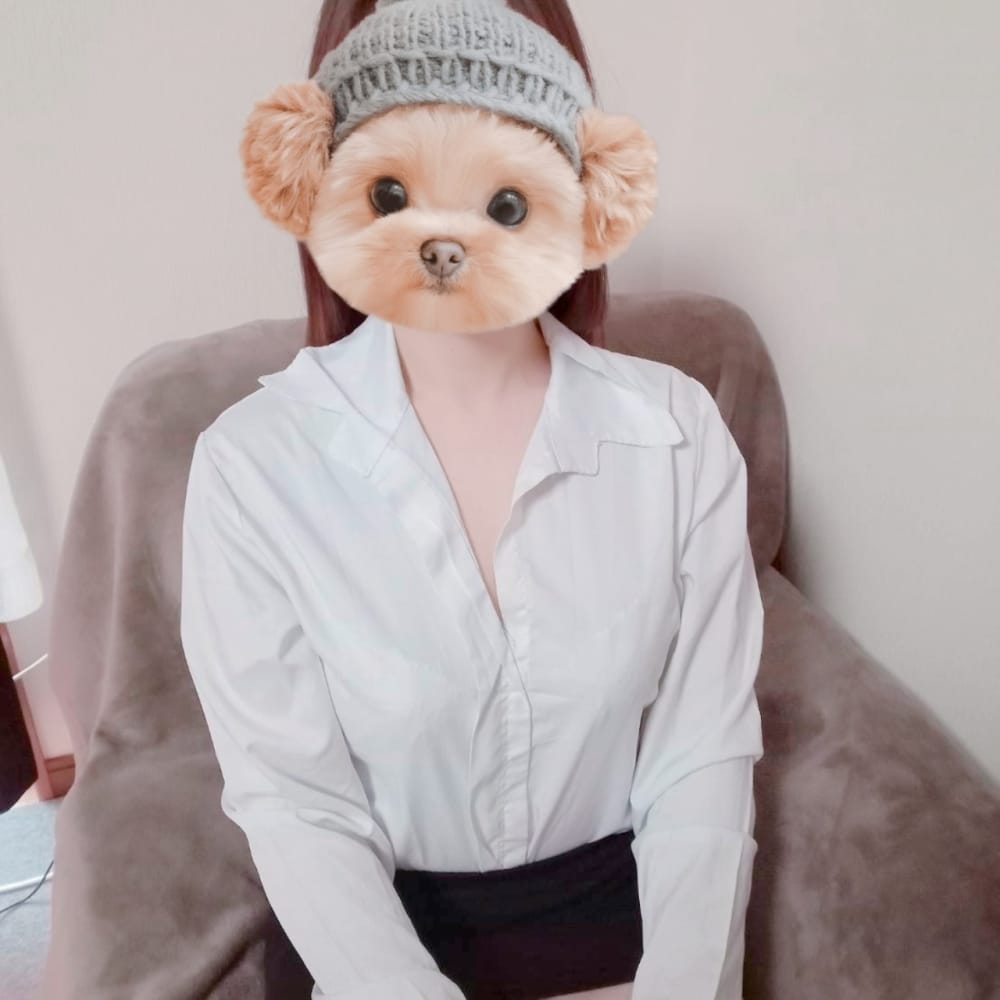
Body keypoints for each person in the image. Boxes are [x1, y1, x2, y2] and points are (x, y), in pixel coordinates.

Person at [179, 2, 765, 999]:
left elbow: (701, 755)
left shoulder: (676, 432)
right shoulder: (252, 466)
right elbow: (297, 803)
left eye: (499, 195)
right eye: (395, 187)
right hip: (377, 941)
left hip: (624, 921)